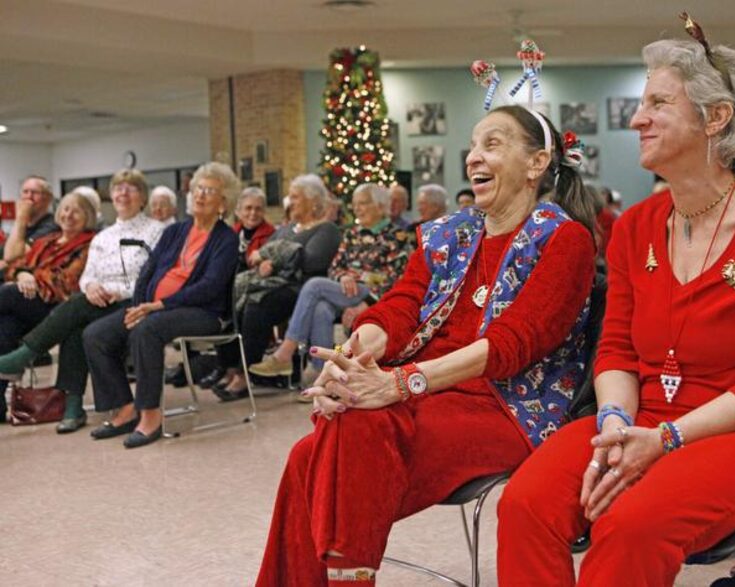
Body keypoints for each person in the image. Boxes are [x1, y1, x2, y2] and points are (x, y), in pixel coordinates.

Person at [496, 33, 735, 586]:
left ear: (717, 117)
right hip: (642, 419)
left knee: (632, 525)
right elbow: (619, 350)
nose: (637, 120)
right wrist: (614, 423)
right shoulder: (635, 228)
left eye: (657, 104)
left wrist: (667, 440)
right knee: (526, 503)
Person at [254, 104, 597, 586]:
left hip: (504, 404)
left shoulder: (565, 240)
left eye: (492, 144)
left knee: (336, 440)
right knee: (311, 454)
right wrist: (351, 360)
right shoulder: (450, 234)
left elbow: (512, 344)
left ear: (537, 164)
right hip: (420, 398)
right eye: (474, 145)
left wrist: (400, 382)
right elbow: (399, 307)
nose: (474, 156)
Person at [83, 162, 240, 449]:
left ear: (224, 202)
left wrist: (159, 306)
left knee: (147, 330)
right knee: (96, 334)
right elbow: (148, 272)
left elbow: (210, 287)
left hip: (205, 314)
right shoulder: (175, 232)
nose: (200, 195)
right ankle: (124, 408)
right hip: (154, 308)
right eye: (197, 189)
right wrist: (140, 304)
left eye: (209, 191)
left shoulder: (226, 239)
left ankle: (150, 415)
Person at [0, 170, 163, 432]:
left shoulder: (157, 232)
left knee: (72, 309)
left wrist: (114, 291)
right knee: (70, 322)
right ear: (111, 196)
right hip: (96, 302)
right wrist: (92, 287)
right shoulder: (104, 237)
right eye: (118, 188)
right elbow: (87, 277)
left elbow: (156, 277)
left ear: (143, 197)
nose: (123, 193)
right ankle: (72, 406)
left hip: (134, 301)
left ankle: (23, 357)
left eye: (131, 189)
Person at [248, 182, 413, 384]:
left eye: (363, 204)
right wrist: (342, 276)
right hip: (344, 291)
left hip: (373, 294)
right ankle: (324, 377)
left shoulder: (397, 237)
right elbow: (335, 266)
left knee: (315, 285)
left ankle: (285, 353)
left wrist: (367, 302)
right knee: (321, 309)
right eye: (355, 204)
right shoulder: (352, 233)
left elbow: (398, 277)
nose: (357, 209)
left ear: (380, 206)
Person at [209, 175, 340, 401]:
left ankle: (244, 375)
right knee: (232, 302)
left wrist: (274, 258)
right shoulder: (287, 229)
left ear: (313, 201)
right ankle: (230, 367)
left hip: (303, 289)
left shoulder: (326, 229)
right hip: (274, 283)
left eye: (296, 196)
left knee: (257, 305)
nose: (291, 201)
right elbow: (261, 256)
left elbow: (311, 262)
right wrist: (264, 263)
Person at [0, 193, 96, 421]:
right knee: (6, 325)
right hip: (30, 305)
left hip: (60, 306)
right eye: (65, 209)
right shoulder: (45, 241)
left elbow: (67, 281)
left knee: (9, 293)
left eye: (76, 211)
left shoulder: (90, 243)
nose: (68, 215)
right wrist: (23, 274)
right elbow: (12, 267)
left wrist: (31, 276)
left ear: (88, 217)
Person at [0, 175, 59, 272]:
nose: (29, 197)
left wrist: (20, 217)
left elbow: (11, 257)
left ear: (48, 198)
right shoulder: (23, 226)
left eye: (35, 192)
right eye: (25, 192)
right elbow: (4, 252)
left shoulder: (52, 225)